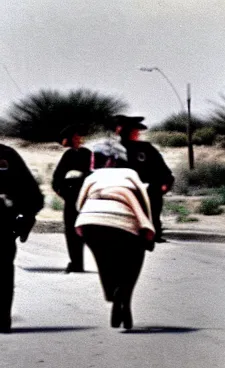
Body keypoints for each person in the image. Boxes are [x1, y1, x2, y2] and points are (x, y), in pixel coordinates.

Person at [75, 139, 155, 329]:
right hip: (123, 223)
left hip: (91, 224)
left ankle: (113, 293)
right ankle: (124, 297)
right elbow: (144, 202)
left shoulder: (91, 177)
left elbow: (79, 204)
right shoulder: (130, 173)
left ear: (108, 160)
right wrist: (147, 227)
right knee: (133, 260)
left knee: (105, 262)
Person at [0, 143, 44, 333]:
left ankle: (2, 318)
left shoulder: (7, 155)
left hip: (1, 224)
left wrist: (26, 217)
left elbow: (30, 191)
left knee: (2, 271)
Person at [114, 115, 174, 243]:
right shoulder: (114, 149)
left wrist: (164, 183)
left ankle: (153, 232)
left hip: (147, 188)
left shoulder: (146, 148)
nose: (136, 133)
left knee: (152, 208)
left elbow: (162, 170)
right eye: (134, 131)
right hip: (123, 189)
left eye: (137, 131)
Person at [51, 124, 93, 273]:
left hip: (88, 199)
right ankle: (76, 263)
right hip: (72, 199)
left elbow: (93, 173)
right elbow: (57, 180)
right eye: (75, 136)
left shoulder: (88, 154)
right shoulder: (67, 155)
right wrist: (65, 194)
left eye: (79, 136)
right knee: (71, 231)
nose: (78, 139)